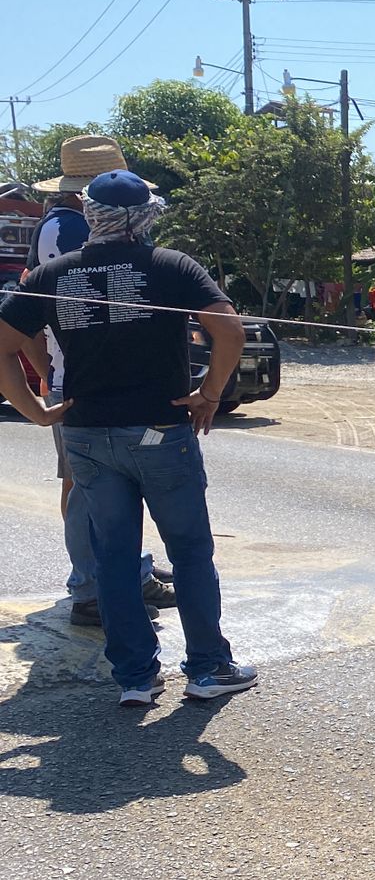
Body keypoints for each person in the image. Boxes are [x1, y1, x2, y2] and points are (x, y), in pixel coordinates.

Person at [0, 169, 257, 706]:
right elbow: (230, 330)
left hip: (87, 433)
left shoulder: (50, 273)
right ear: (144, 217)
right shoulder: (171, 266)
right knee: (189, 552)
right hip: (161, 430)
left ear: (90, 214)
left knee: (114, 556)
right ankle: (207, 668)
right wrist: (209, 394)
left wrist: (38, 412)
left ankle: (136, 679)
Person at [22, 136, 176, 628]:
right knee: (89, 490)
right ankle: (91, 587)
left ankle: (120, 574)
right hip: (89, 379)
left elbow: (27, 300)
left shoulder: (54, 224)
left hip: (74, 374)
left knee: (94, 487)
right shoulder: (73, 232)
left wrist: (43, 365)